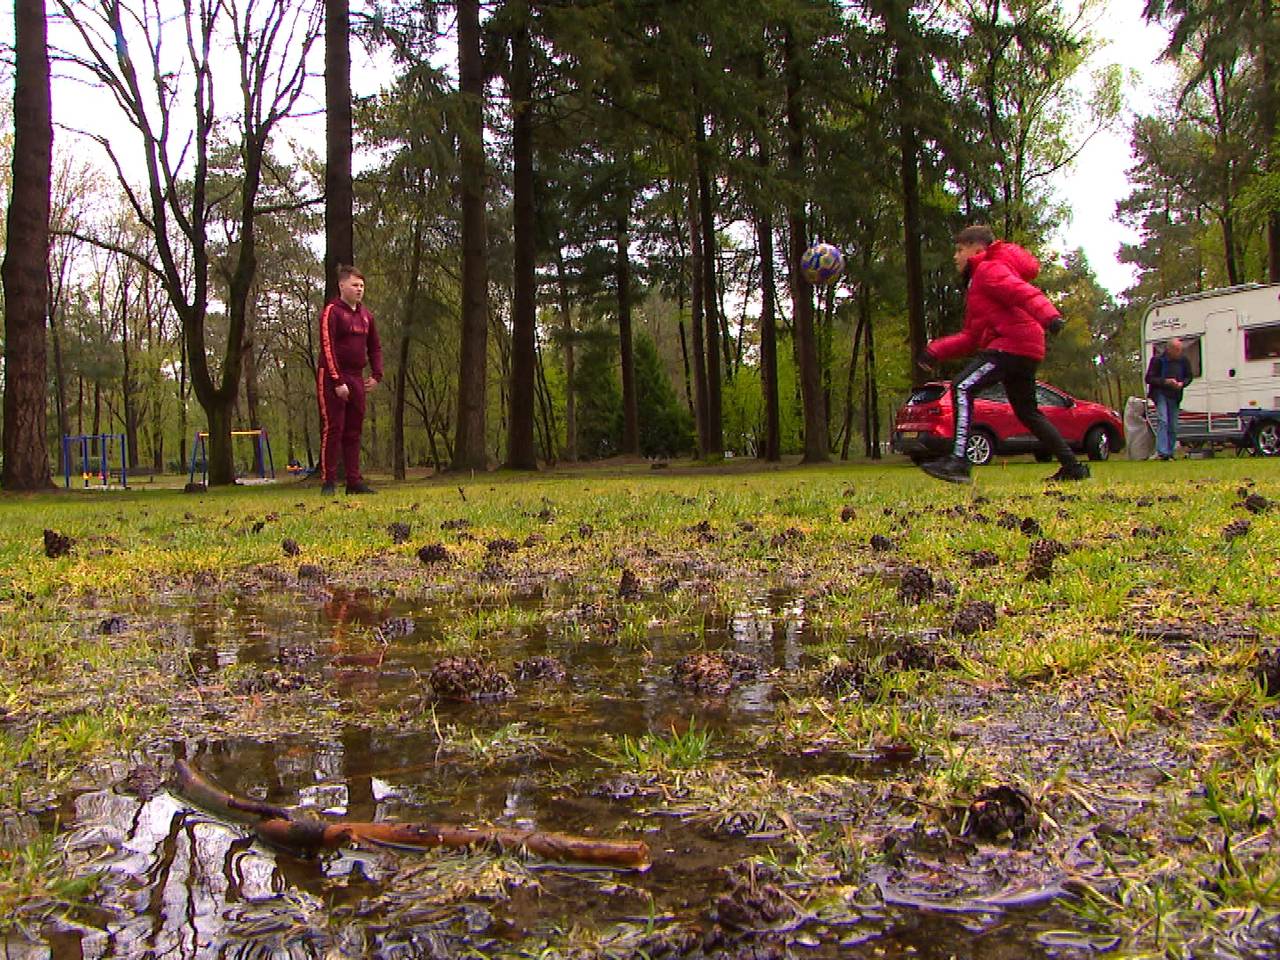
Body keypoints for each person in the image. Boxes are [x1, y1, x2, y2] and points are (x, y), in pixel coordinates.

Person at [917, 224, 1089, 484]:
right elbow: (972, 337)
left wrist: (1050, 317)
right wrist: (934, 351)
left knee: (962, 387)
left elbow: (1023, 292)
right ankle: (1073, 467)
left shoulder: (988, 269)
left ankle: (959, 461)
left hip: (1012, 344)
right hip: (1024, 347)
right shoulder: (978, 283)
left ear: (977, 249)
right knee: (1028, 412)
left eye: (960, 250)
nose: (956, 257)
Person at [317, 264, 382, 495]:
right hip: (333, 376)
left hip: (357, 377)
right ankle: (329, 481)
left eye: (362, 285)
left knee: (354, 430)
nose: (359, 289)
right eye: (355, 285)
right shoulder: (332, 312)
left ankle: (354, 482)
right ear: (342, 285)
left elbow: (374, 347)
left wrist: (376, 375)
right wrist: (336, 381)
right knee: (335, 428)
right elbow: (328, 347)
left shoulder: (366, 316)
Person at [1145, 338, 1192, 461]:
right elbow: (1149, 378)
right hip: (1160, 393)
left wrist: (1182, 383)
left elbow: (1189, 376)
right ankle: (1163, 452)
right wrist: (1165, 381)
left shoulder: (1183, 361)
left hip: (1175, 395)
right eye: (1177, 350)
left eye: (1180, 350)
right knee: (1163, 420)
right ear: (1169, 349)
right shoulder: (1157, 360)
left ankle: (1170, 452)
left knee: (1173, 425)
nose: (1179, 352)